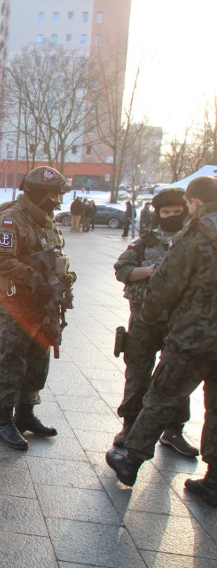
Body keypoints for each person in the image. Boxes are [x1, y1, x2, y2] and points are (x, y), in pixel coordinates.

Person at [105, 176, 217, 508]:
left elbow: (164, 286)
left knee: (161, 396)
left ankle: (131, 461)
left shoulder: (196, 237)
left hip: (192, 337)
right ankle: (214, 480)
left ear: (194, 203)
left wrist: (153, 317)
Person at [0, 166, 76, 452]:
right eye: (53, 195)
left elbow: (54, 256)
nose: (57, 202)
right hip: (15, 302)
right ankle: (3, 422)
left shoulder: (44, 220)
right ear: (36, 192)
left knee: (38, 357)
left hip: (42, 304)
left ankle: (25, 414)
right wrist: (37, 280)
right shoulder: (12, 220)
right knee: (12, 358)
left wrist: (62, 279)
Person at [111, 188, 198, 457]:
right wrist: (150, 271)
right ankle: (129, 425)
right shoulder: (145, 242)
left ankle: (173, 430)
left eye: (176, 212)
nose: (171, 216)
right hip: (144, 319)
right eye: (166, 212)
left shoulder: (194, 243)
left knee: (176, 377)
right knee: (137, 371)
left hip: (180, 321)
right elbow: (122, 270)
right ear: (158, 214)